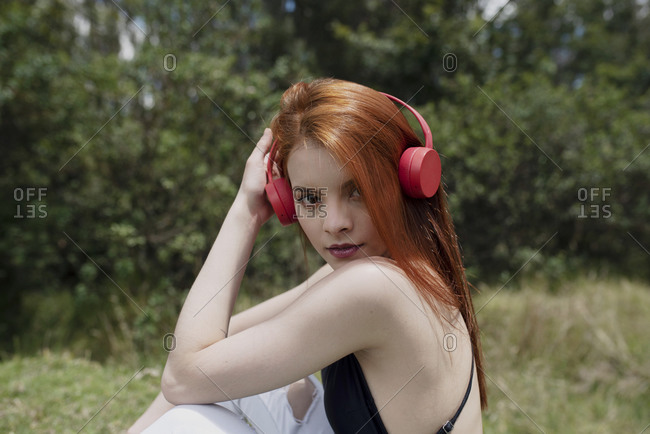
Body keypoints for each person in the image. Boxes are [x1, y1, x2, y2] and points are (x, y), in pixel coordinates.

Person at [128, 78, 487, 433]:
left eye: (357, 191)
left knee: (188, 423)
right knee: (270, 386)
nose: (334, 223)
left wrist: (245, 212)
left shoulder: (374, 286)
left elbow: (181, 376)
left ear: (408, 180)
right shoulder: (397, 269)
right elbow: (222, 341)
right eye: (310, 199)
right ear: (286, 201)